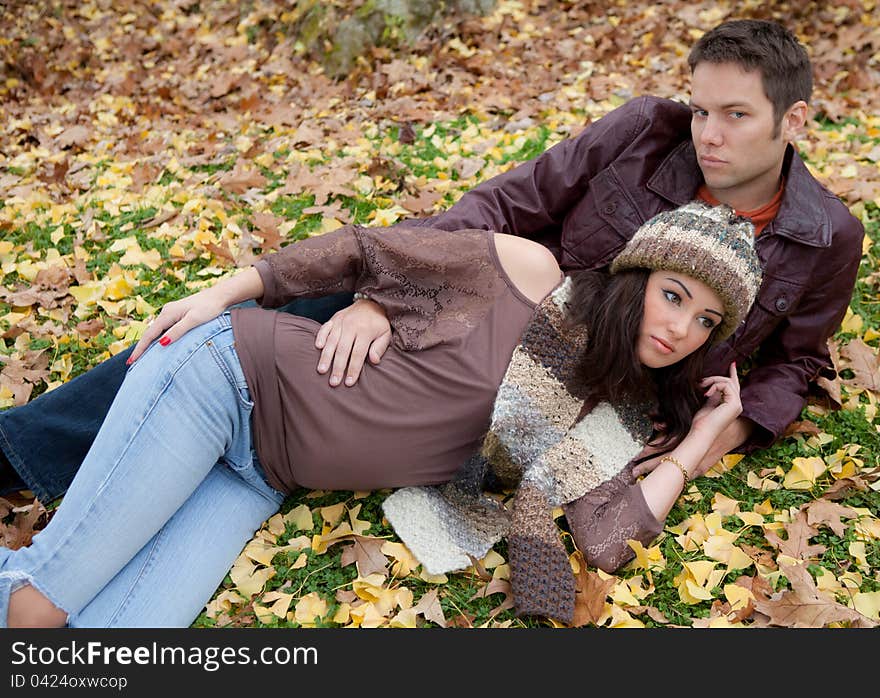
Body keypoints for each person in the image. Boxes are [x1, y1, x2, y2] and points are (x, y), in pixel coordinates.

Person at [0, 19, 864, 565]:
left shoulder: (827, 237)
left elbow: (798, 361)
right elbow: (505, 205)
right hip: (498, 313)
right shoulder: (645, 132)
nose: (708, 134)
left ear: (794, 121)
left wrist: (721, 427)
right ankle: (19, 456)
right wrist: (390, 294)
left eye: (737, 117)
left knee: (315, 403)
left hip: (593, 396)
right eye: (702, 108)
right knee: (292, 320)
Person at [0, 200, 761, 627]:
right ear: (637, 277)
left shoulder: (619, 423)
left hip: (258, 477)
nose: (678, 327)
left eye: (705, 322)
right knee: (35, 611)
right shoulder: (531, 276)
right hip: (224, 380)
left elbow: (606, 538)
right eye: (673, 295)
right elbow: (367, 251)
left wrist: (701, 438)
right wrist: (230, 290)